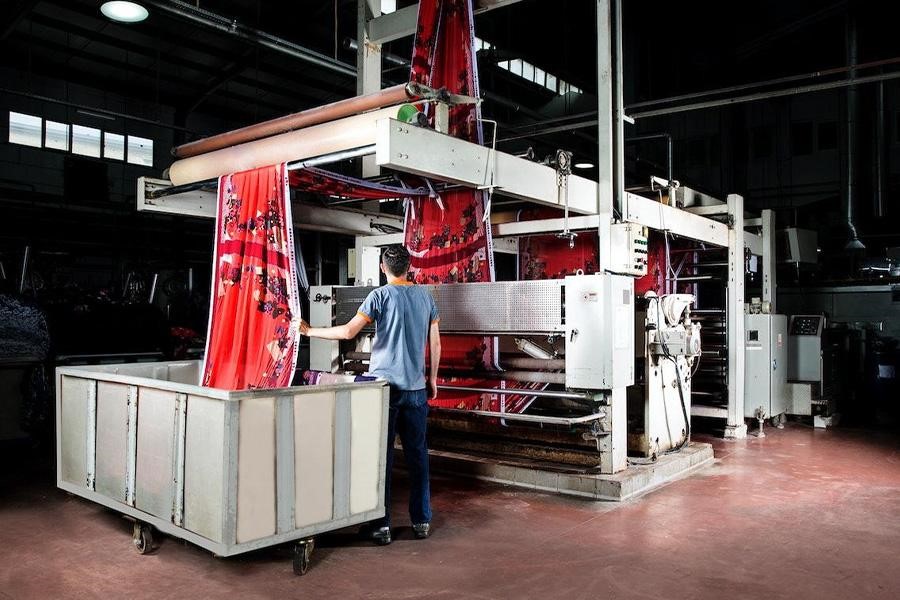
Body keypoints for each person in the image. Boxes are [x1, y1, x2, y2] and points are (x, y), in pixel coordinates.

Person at [296, 244, 440, 545]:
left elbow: (349, 333)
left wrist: (309, 332)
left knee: (381, 457)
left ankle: (381, 525)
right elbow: (435, 343)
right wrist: (432, 379)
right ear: (409, 266)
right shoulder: (426, 297)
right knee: (418, 456)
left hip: (384, 389)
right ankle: (422, 521)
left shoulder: (379, 296)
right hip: (416, 390)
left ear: (383, 268)